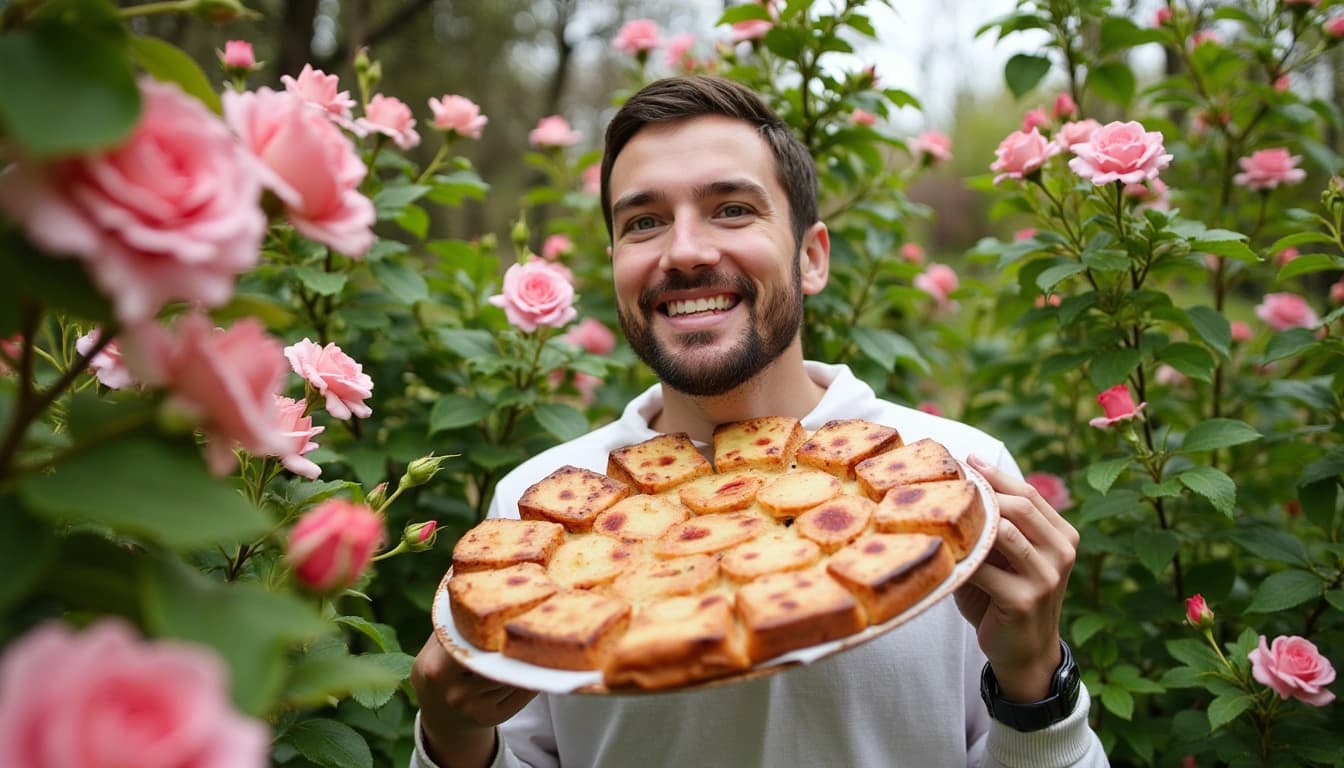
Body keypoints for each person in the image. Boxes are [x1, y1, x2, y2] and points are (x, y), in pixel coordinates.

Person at [410, 75, 1108, 768]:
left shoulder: (954, 482)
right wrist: (453, 735)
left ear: (811, 257)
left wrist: (1035, 684)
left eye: (733, 209)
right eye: (643, 223)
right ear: (617, 264)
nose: (684, 251)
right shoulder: (535, 519)